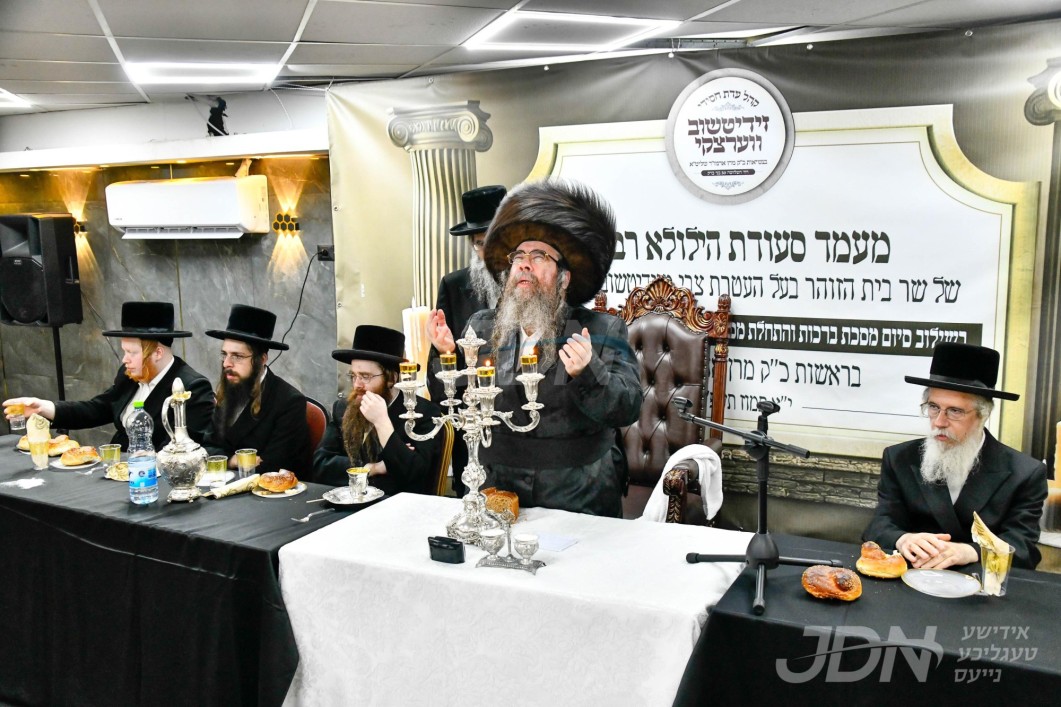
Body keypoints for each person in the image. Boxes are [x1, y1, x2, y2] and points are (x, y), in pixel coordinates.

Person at [429, 178, 641, 517]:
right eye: (519, 256)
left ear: (564, 278)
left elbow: (628, 408)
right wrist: (446, 356)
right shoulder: (481, 328)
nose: (524, 264)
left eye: (539, 256)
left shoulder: (601, 330)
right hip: (496, 491)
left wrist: (588, 372)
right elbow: (450, 401)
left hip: (577, 496)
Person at [864, 343, 1048, 569]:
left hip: (979, 584)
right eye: (933, 407)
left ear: (983, 415)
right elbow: (880, 525)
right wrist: (903, 539)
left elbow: (1024, 547)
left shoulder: (1025, 473)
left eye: (955, 411)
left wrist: (971, 551)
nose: (939, 422)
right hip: (913, 578)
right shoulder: (899, 458)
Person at [3, 301, 213, 451]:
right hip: (116, 465)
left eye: (132, 353)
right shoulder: (129, 374)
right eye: (124, 351)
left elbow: (181, 449)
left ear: (157, 353)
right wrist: (43, 408)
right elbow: (99, 408)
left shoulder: (192, 387)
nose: (125, 359)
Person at [426, 184, 506, 493]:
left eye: (494, 242)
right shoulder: (454, 286)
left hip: (522, 428)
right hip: (473, 436)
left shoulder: (531, 284)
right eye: (480, 244)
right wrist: (446, 353)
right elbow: (440, 382)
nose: (488, 253)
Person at [312, 325, 443, 496]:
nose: (357, 384)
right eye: (353, 376)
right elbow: (321, 465)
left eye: (365, 376)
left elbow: (414, 476)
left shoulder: (424, 413)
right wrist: (371, 469)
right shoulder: (343, 408)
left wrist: (382, 423)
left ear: (391, 378)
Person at [201, 304, 310, 475]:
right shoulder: (229, 392)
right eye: (224, 354)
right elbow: (206, 448)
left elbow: (273, 466)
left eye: (237, 356)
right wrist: (232, 460)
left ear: (262, 359)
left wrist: (223, 459)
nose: (226, 363)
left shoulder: (289, 402)